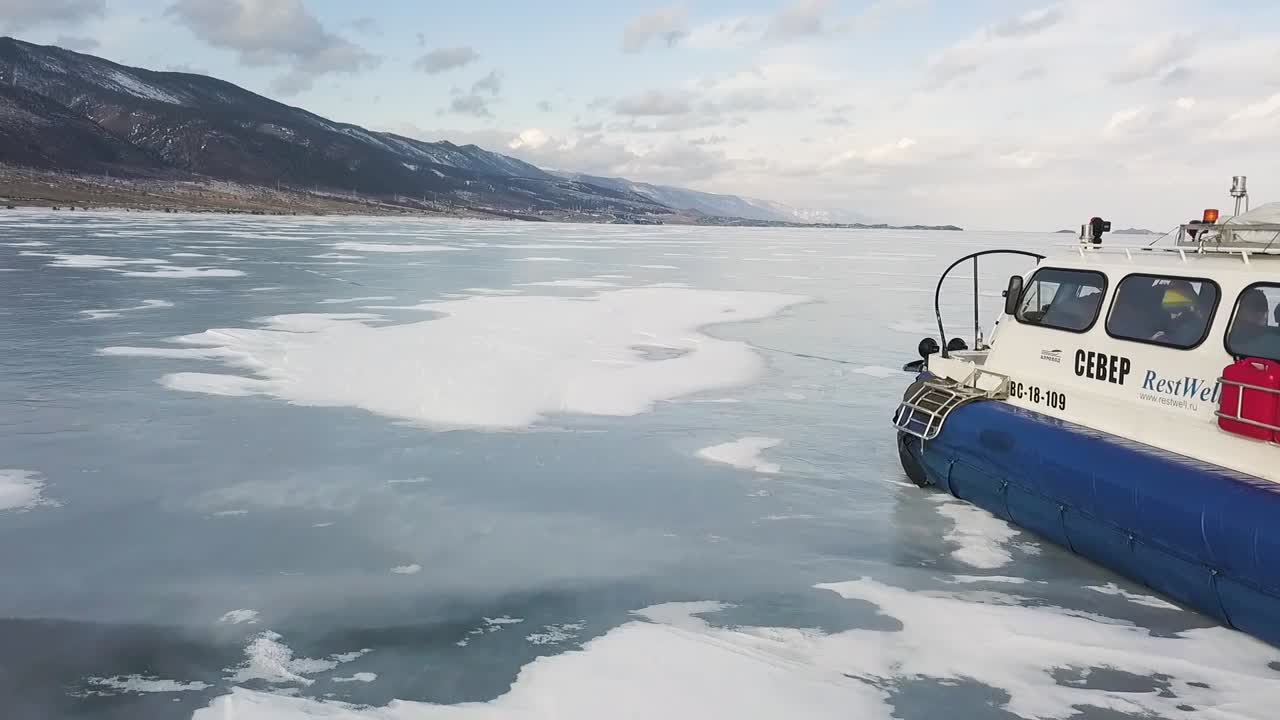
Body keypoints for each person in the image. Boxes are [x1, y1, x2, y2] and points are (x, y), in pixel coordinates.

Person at [1228, 288, 1280, 360]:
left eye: (1262, 309)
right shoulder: (1273, 342)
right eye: (1256, 308)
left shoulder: (1230, 338)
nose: (1262, 314)